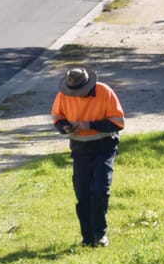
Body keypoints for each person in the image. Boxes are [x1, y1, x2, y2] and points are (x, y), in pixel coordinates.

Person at [52, 66, 126, 247]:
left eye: (80, 91)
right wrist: (64, 128)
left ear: (88, 85)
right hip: (80, 149)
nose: (76, 95)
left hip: (104, 147)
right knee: (82, 193)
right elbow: (58, 117)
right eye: (73, 92)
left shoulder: (104, 92)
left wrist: (90, 125)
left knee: (99, 189)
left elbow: (118, 123)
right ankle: (87, 238)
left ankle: (100, 234)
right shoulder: (64, 94)